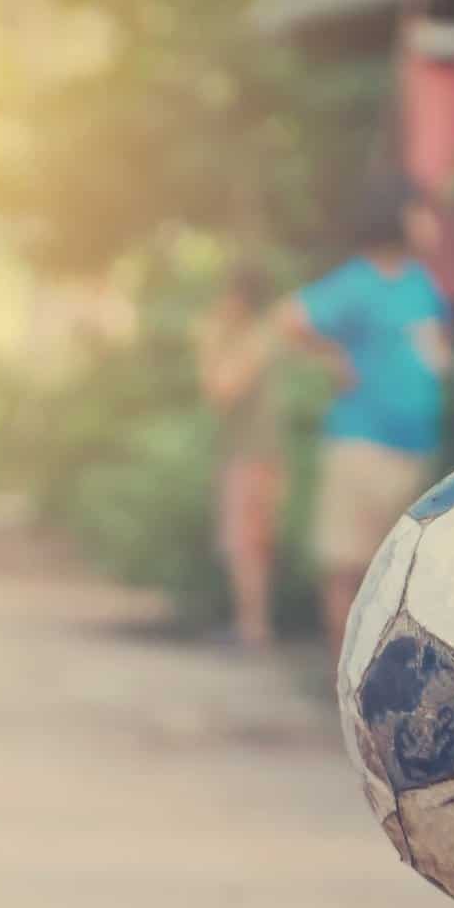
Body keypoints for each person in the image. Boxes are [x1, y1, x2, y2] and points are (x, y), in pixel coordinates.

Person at [272, 175, 450, 659]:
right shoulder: (358, 282)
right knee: (348, 565)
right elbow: (290, 318)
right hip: (362, 441)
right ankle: (343, 675)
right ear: (398, 218)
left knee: (400, 573)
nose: (432, 223)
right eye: (422, 212)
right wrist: (331, 358)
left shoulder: (423, 285)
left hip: (413, 445)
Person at [196, 263, 288, 652]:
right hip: (254, 453)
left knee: (244, 543)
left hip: (254, 455)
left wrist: (207, 342)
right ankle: (252, 625)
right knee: (249, 542)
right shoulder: (258, 337)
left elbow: (221, 389)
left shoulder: (254, 340)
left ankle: (253, 628)